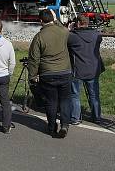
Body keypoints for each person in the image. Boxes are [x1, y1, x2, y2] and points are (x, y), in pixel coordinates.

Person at [28, 9, 72, 138]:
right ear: (53, 19)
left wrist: (32, 75)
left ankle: (51, 127)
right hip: (65, 72)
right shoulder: (64, 31)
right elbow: (62, 27)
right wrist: (55, 18)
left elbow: (34, 59)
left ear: (40, 21)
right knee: (65, 100)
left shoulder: (39, 37)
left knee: (51, 102)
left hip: (48, 74)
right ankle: (64, 126)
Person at [67, 15, 105, 124]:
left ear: (78, 23)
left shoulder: (72, 36)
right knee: (94, 95)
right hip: (93, 69)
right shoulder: (97, 35)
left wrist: (70, 29)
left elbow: (65, 40)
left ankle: (75, 118)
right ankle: (97, 117)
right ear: (87, 23)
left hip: (77, 70)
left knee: (75, 95)